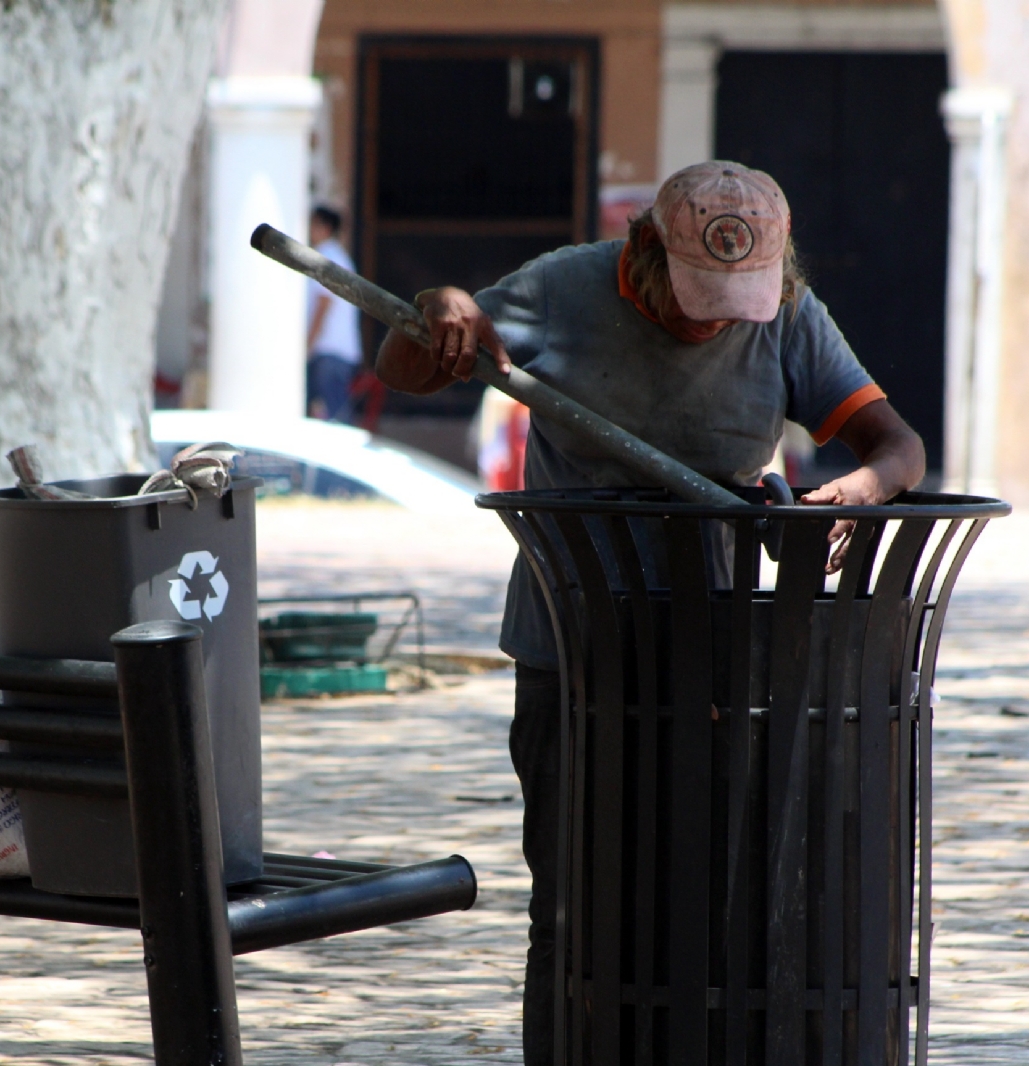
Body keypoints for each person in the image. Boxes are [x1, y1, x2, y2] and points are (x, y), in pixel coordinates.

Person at [373, 161, 925, 1065]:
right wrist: (440, 307)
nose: (711, 318)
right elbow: (410, 366)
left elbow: (897, 446)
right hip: (574, 648)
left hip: (717, 654)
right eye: (696, 294)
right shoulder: (560, 290)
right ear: (643, 252)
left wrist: (854, 491)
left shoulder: (787, 314)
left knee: (715, 894)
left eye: (734, 300)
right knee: (575, 896)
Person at [305, 206, 364, 421]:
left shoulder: (327, 257)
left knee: (334, 416)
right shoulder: (338, 256)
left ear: (325, 227)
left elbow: (323, 303)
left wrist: (307, 346)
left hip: (329, 351)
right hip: (333, 352)